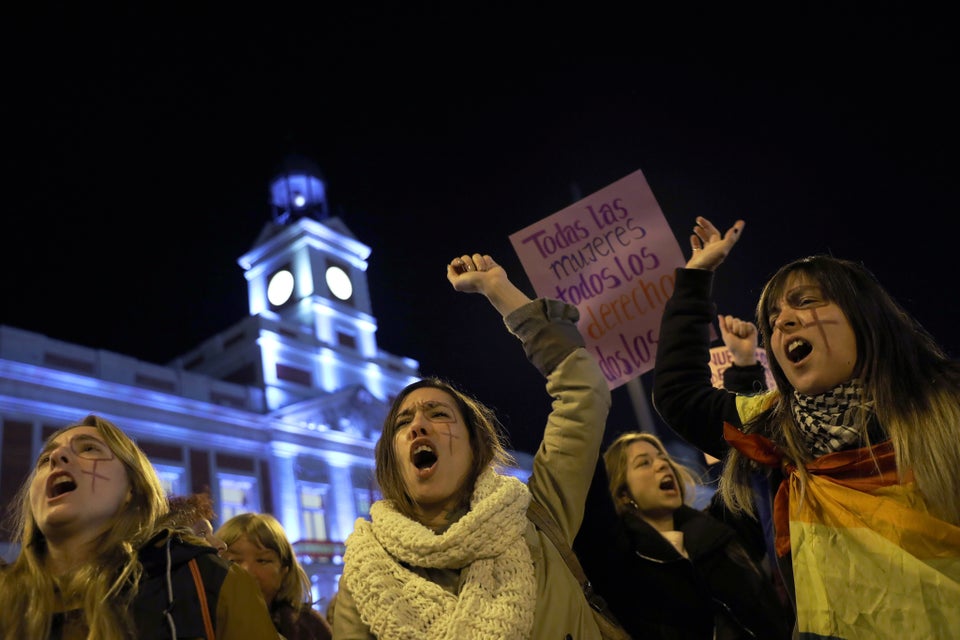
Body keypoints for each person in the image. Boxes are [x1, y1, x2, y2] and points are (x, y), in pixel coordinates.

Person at [652, 216, 960, 638]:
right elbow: (677, 395)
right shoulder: (777, 427)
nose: (782, 322)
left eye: (805, 302)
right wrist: (694, 277)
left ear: (863, 315)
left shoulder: (945, 401)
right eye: (774, 316)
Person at [333, 252, 613, 639]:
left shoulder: (537, 514)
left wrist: (499, 290)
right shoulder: (365, 569)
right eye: (403, 421)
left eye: (438, 414)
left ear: (475, 445)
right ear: (391, 460)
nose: (418, 426)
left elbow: (584, 392)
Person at [0, 413, 280, 640]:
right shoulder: (7, 597)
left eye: (88, 448)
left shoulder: (211, 584)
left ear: (132, 488)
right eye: (44, 460)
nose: (57, 459)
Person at [599, 429, 793, 639]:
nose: (663, 464)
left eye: (663, 457)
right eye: (644, 463)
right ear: (623, 493)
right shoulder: (626, 562)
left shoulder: (717, 528)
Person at [216, 512, 333, 640]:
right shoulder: (199, 625)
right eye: (233, 561)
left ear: (284, 571)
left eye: (262, 560)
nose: (247, 571)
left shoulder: (309, 628)